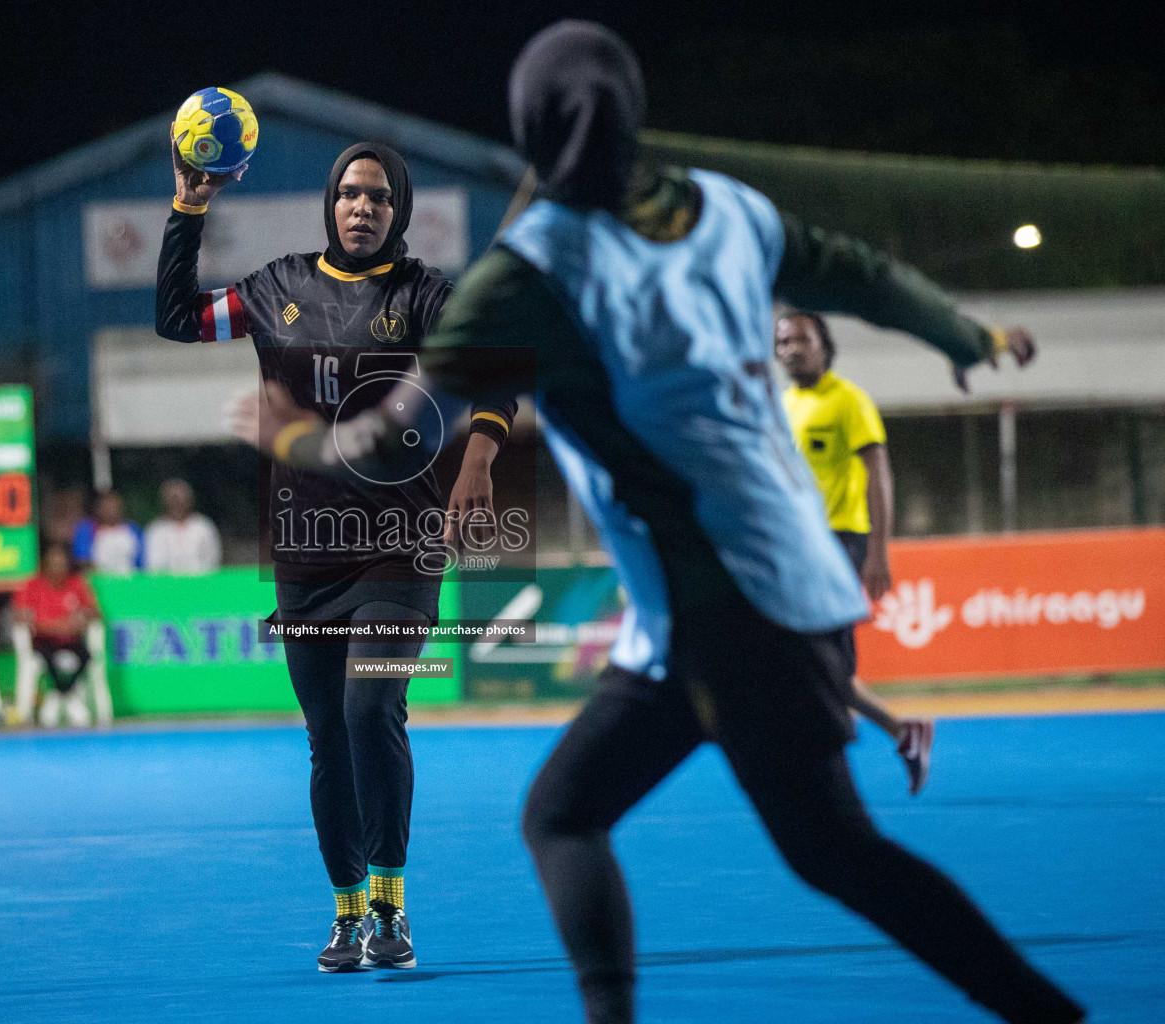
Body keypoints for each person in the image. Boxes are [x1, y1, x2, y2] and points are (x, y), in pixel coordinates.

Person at [243, 21, 1083, 1024]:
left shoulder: (531, 270)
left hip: (713, 608)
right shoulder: (729, 210)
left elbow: (385, 441)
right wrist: (965, 331)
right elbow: (856, 271)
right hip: (787, 587)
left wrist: (290, 438)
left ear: (529, 129)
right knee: (828, 851)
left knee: (566, 820)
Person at [156, 137, 518, 972]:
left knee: (369, 711)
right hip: (307, 557)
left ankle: (392, 906)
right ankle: (347, 916)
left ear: (401, 211)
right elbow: (177, 318)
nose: (363, 208)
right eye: (351, 194)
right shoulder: (275, 288)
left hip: (400, 545)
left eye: (380, 198)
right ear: (331, 203)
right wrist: (189, 206)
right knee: (326, 738)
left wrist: (480, 459)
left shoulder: (427, 296)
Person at [775, 310, 934, 794]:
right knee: (812, 663)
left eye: (801, 339)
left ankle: (828, 760)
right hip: (797, 546)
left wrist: (878, 552)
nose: (791, 349)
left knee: (814, 661)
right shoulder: (782, 404)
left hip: (841, 543)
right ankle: (902, 731)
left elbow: (878, 475)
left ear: (824, 345)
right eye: (782, 343)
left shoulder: (849, 402)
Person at [14, 542, 100, 724]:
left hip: (72, 640)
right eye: (54, 564)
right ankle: (65, 699)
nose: (58, 568)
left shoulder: (76, 583)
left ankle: (57, 697)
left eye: (62, 564)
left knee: (86, 656)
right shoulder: (32, 586)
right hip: (44, 642)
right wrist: (59, 626)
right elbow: (23, 618)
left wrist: (84, 619)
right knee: (48, 659)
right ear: (45, 565)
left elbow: (94, 613)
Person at [144, 478, 221, 575]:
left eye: (180, 500)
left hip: (199, 585)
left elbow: (212, 560)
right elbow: (152, 565)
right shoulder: (156, 530)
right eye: (172, 500)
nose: (176, 504)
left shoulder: (203, 526)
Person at [71, 491, 145, 576]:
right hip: (98, 581)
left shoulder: (134, 530)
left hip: (129, 581)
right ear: (98, 508)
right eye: (107, 507)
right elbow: (81, 559)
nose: (111, 510)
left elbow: (142, 562)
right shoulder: (86, 529)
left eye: (114, 506)